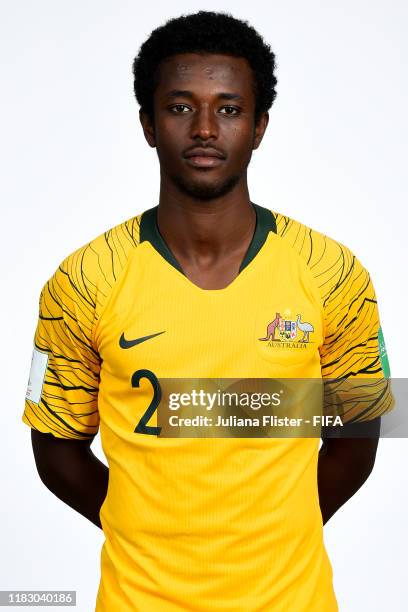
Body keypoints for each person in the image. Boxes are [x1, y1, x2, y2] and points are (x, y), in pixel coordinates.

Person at [22, 11, 393, 611]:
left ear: (259, 125)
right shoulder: (84, 282)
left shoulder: (331, 273)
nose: (203, 129)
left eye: (228, 108)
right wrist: (147, 531)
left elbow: (358, 432)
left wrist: (273, 538)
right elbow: (56, 448)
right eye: (179, 107)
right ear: (147, 123)